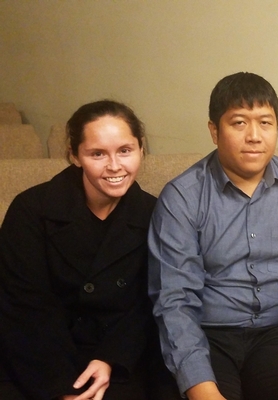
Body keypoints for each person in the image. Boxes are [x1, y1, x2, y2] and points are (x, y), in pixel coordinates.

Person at [147, 72, 278, 400]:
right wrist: (201, 388)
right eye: (239, 123)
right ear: (214, 130)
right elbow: (174, 300)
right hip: (207, 337)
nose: (254, 136)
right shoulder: (182, 197)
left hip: (277, 333)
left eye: (265, 123)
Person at [0, 100, 179, 400]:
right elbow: (24, 308)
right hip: (37, 357)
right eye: (97, 153)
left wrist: (109, 359)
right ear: (74, 155)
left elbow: (148, 304)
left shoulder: (155, 213)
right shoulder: (31, 210)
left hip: (119, 355)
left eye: (125, 150)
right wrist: (61, 388)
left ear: (141, 149)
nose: (114, 166)